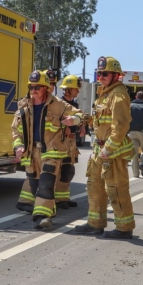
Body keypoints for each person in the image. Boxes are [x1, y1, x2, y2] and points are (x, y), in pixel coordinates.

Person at [12, 70, 84, 229]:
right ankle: (45, 211)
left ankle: (42, 217)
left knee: (46, 183)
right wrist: (18, 146)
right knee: (36, 185)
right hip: (31, 154)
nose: (34, 90)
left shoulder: (58, 104)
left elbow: (81, 115)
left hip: (51, 152)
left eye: (38, 87)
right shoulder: (23, 106)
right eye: (31, 87)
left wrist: (73, 120)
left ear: (46, 88)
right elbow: (16, 131)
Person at [75, 56, 136, 239]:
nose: (100, 76)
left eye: (104, 73)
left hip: (112, 153)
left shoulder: (118, 95)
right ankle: (95, 224)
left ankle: (124, 228)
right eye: (99, 73)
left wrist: (108, 149)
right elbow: (98, 120)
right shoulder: (105, 94)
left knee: (116, 189)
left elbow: (121, 126)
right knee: (94, 187)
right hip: (98, 150)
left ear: (116, 75)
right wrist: (81, 120)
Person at [55, 75, 84, 209]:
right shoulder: (59, 103)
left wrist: (81, 126)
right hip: (60, 140)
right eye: (75, 89)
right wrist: (64, 127)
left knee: (68, 170)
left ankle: (63, 199)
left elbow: (78, 117)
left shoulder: (75, 104)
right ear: (68, 89)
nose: (78, 91)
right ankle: (54, 199)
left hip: (71, 141)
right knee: (58, 170)